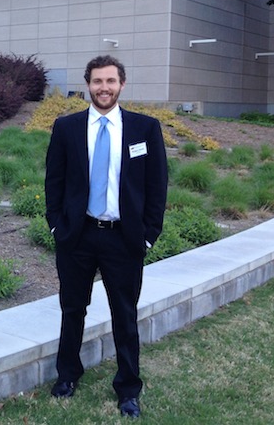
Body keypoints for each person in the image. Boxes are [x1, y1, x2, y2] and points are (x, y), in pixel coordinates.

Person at [44, 55, 168, 419]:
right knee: (72, 309)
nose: (104, 88)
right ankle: (67, 375)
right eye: (97, 81)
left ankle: (128, 389)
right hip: (77, 236)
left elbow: (156, 186)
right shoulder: (66, 127)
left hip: (124, 239)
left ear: (122, 85)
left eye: (111, 81)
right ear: (88, 84)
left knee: (125, 316)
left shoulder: (145, 128)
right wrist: (56, 226)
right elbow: (54, 181)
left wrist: (147, 236)